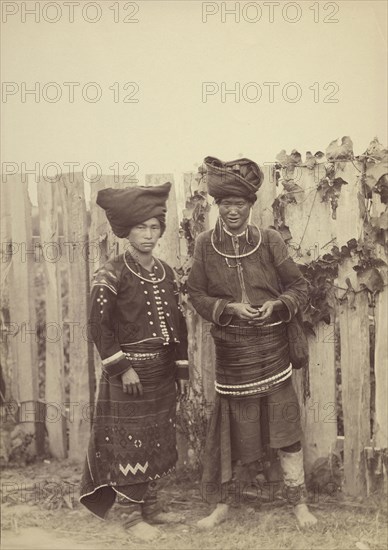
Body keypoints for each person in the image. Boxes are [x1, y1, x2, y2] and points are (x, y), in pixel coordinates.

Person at [187, 157, 317, 529]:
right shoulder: (205, 245)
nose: (232, 211)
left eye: (239, 205)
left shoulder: (270, 240)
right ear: (217, 205)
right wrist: (229, 308)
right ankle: (224, 504)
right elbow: (195, 294)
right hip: (233, 355)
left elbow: (300, 287)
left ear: (250, 206)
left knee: (285, 428)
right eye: (225, 204)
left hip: (273, 352)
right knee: (232, 432)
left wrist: (277, 305)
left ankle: (298, 501)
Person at [80, 182, 189, 541]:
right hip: (128, 373)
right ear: (126, 230)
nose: (149, 234)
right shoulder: (110, 273)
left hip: (161, 371)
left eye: (154, 227)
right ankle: (129, 515)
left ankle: (152, 506)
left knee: (159, 437)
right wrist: (122, 368)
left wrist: (181, 369)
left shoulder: (166, 272)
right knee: (131, 442)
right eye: (141, 227)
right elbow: (98, 325)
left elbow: (178, 323)